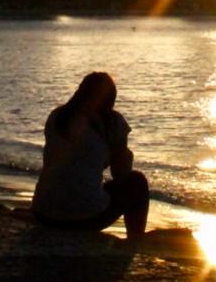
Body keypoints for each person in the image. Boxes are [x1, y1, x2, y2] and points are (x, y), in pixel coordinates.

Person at [31, 72, 149, 239]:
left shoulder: (57, 116)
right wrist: (123, 151)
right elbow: (121, 174)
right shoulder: (112, 122)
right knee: (137, 182)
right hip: (82, 219)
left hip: (42, 213)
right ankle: (135, 239)